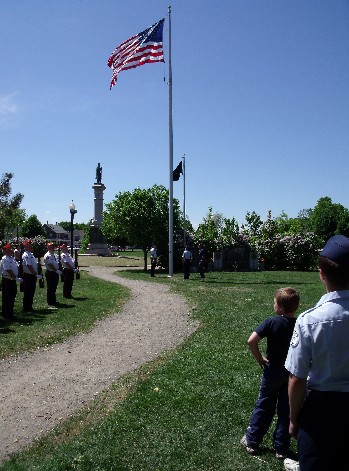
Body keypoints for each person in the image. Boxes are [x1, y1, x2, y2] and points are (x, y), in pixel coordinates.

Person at [284, 234, 349, 471]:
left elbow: (297, 378)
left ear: (321, 274)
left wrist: (293, 418)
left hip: (321, 412)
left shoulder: (310, 320)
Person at [241, 287, 300, 460]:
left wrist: (260, 359)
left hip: (272, 371)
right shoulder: (299, 324)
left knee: (264, 405)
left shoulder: (271, 322)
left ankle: (252, 441)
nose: (273, 305)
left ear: (280, 308)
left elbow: (251, 341)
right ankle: (281, 448)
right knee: (285, 409)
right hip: (290, 372)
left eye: (274, 302)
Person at [1, 243, 20, 319]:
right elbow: (8, 269)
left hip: (12, 280)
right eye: (8, 250)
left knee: (12, 296)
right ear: (5, 251)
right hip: (7, 280)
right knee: (7, 298)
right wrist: (15, 277)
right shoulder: (5, 259)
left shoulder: (11, 258)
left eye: (11, 250)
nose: (10, 251)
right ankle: (6, 314)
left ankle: (10, 312)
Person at [22, 239, 40, 312]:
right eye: (28, 245)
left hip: (32, 275)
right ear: (25, 246)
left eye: (30, 245)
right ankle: (26, 307)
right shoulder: (26, 255)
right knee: (28, 291)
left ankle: (29, 306)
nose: (30, 246)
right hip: (28, 275)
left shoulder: (31, 254)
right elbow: (29, 266)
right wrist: (36, 274)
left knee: (31, 291)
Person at [44, 242, 61, 308]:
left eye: (53, 247)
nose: (53, 248)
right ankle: (50, 301)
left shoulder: (54, 255)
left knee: (54, 287)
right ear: (48, 248)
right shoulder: (47, 255)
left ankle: (53, 300)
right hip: (51, 272)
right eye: (51, 247)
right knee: (50, 287)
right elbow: (50, 264)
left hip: (55, 272)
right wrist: (56, 270)